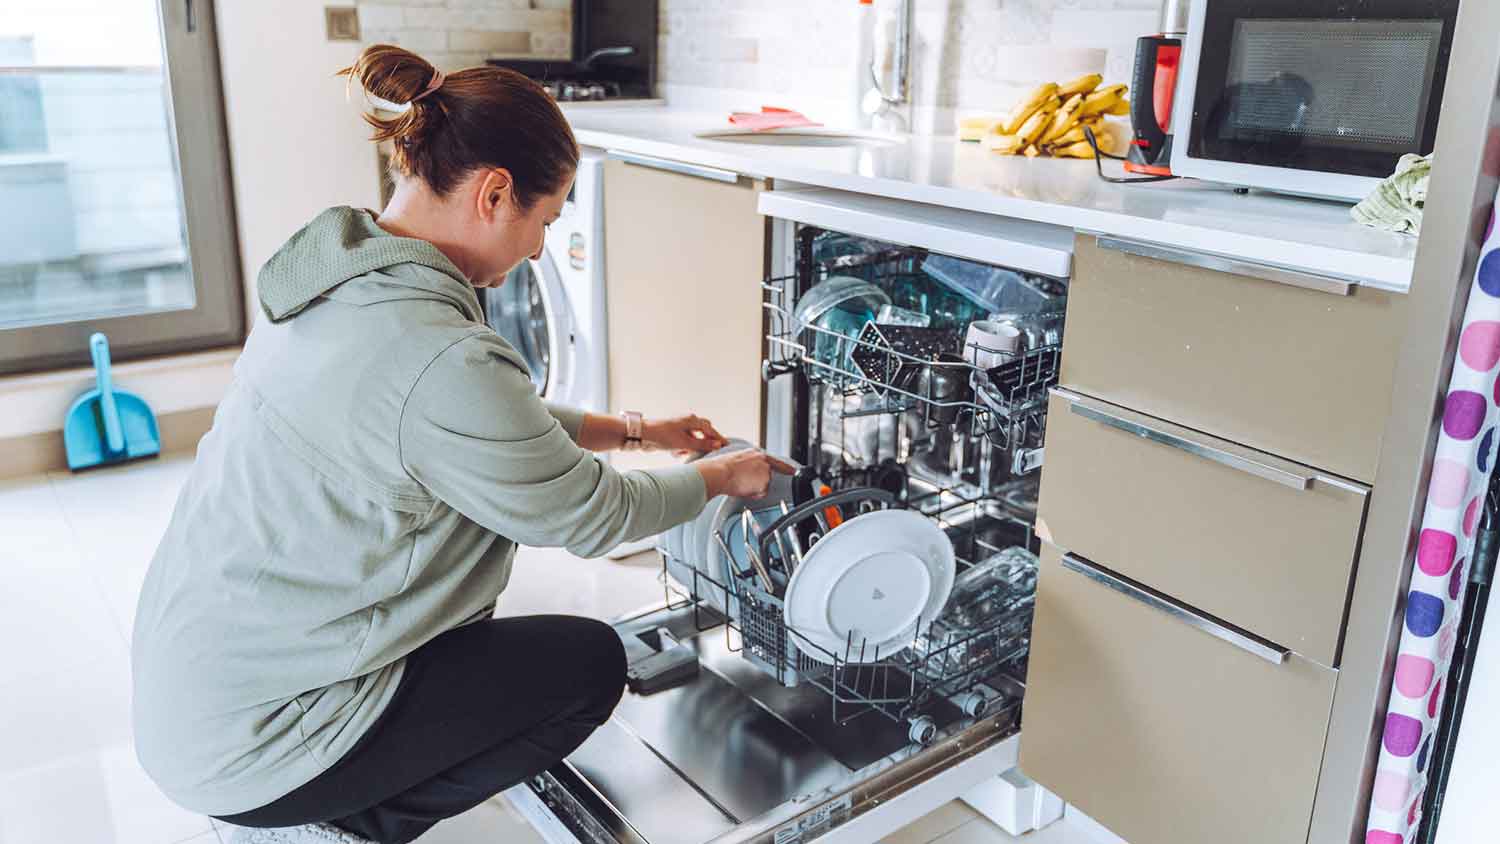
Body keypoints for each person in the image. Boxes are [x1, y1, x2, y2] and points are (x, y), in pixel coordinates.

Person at [130, 45, 790, 844]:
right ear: (495, 193)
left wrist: (637, 430)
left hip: (200, 681)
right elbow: (592, 515)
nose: (540, 248)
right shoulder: (437, 352)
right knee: (588, 666)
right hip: (258, 739)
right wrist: (721, 476)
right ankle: (329, 824)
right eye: (544, 221)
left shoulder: (343, 271)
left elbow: (471, 420)